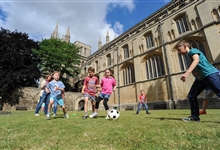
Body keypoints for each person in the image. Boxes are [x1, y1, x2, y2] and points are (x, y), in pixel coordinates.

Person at [175, 40, 220, 122]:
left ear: (185, 46)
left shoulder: (193, 50)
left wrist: (187, 73)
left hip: (209, 74)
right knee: (191, 96)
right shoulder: (189, 56)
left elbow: (196, 60)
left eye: (179, 49)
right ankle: (195, 117)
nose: (178, 52)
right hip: (200, 79)